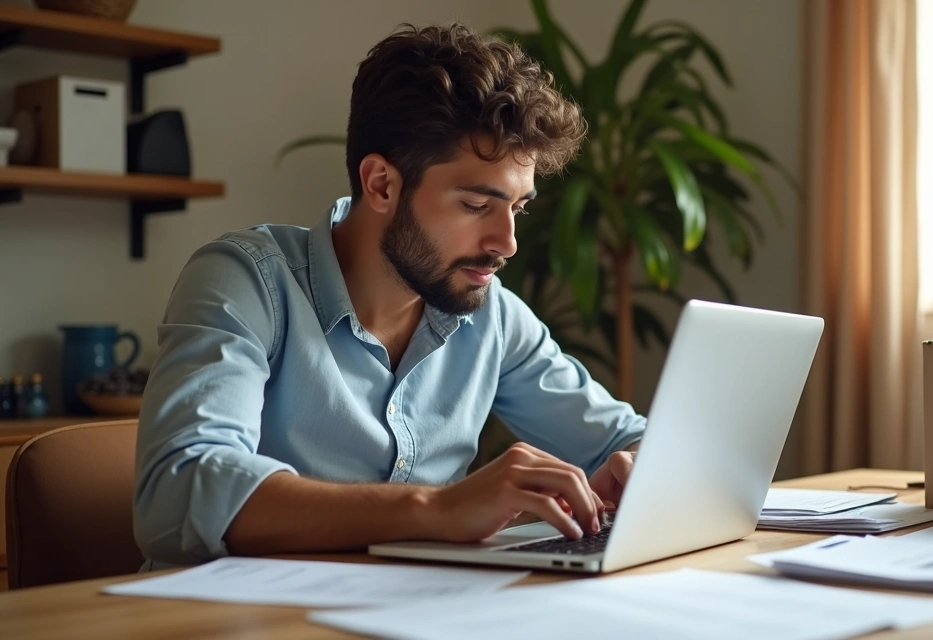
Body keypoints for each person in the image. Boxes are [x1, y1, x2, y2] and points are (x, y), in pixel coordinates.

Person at [133, 23, 645, 568]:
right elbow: (178, 493)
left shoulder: (491, 315)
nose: (508, 244)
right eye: (476, 206)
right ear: (381, 184)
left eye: (517, 208)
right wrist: (436, 508)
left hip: (419, 614)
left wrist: (638, 469)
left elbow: (629, 440)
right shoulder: (246, 281)